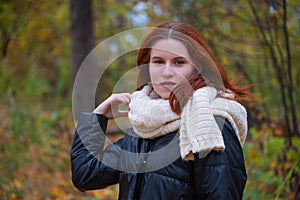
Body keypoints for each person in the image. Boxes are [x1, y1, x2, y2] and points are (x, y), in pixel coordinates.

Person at [71, 22, 253, 199]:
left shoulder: (211, 122)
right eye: (158, 62)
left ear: (197, 68)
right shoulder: (142, 126)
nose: (167, 72)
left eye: (179, 62)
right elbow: (84, 174)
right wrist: (98, 117)